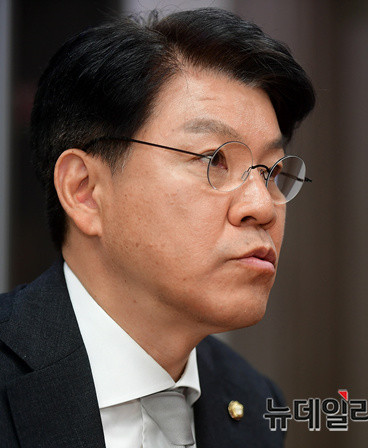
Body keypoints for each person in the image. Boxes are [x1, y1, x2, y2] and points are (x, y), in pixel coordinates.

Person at [0, 7, 314, 447]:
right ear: (84, 190)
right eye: (214, 160)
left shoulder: (253, 401)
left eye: (272, 172)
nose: (263, 207)